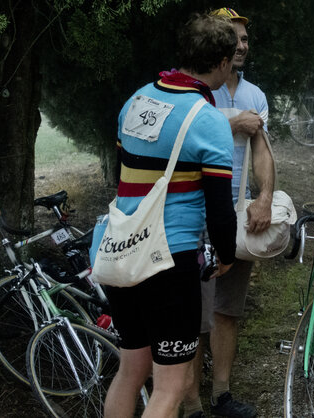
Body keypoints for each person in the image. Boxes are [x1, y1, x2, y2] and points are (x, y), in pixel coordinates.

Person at [103, 14, 238, 417]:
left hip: (120, 253)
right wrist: (226, 255)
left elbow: (121, 175)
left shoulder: (137, 99)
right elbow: (219, 205)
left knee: (131, 371)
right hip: (169, 258)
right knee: (171, 386)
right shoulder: (208, 120)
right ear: (222, 62)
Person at [183, 7, 274, 418]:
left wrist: (266, 197)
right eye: (234, 38)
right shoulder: (192, 88)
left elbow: (262, 152)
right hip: (194, 212)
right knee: (195, 316)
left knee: (226, 309)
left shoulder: (255, 95)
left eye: (245, 39)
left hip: (236, 215)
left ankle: (221, 395)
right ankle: (190, 403)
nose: (242, 46)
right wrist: (232, 121)